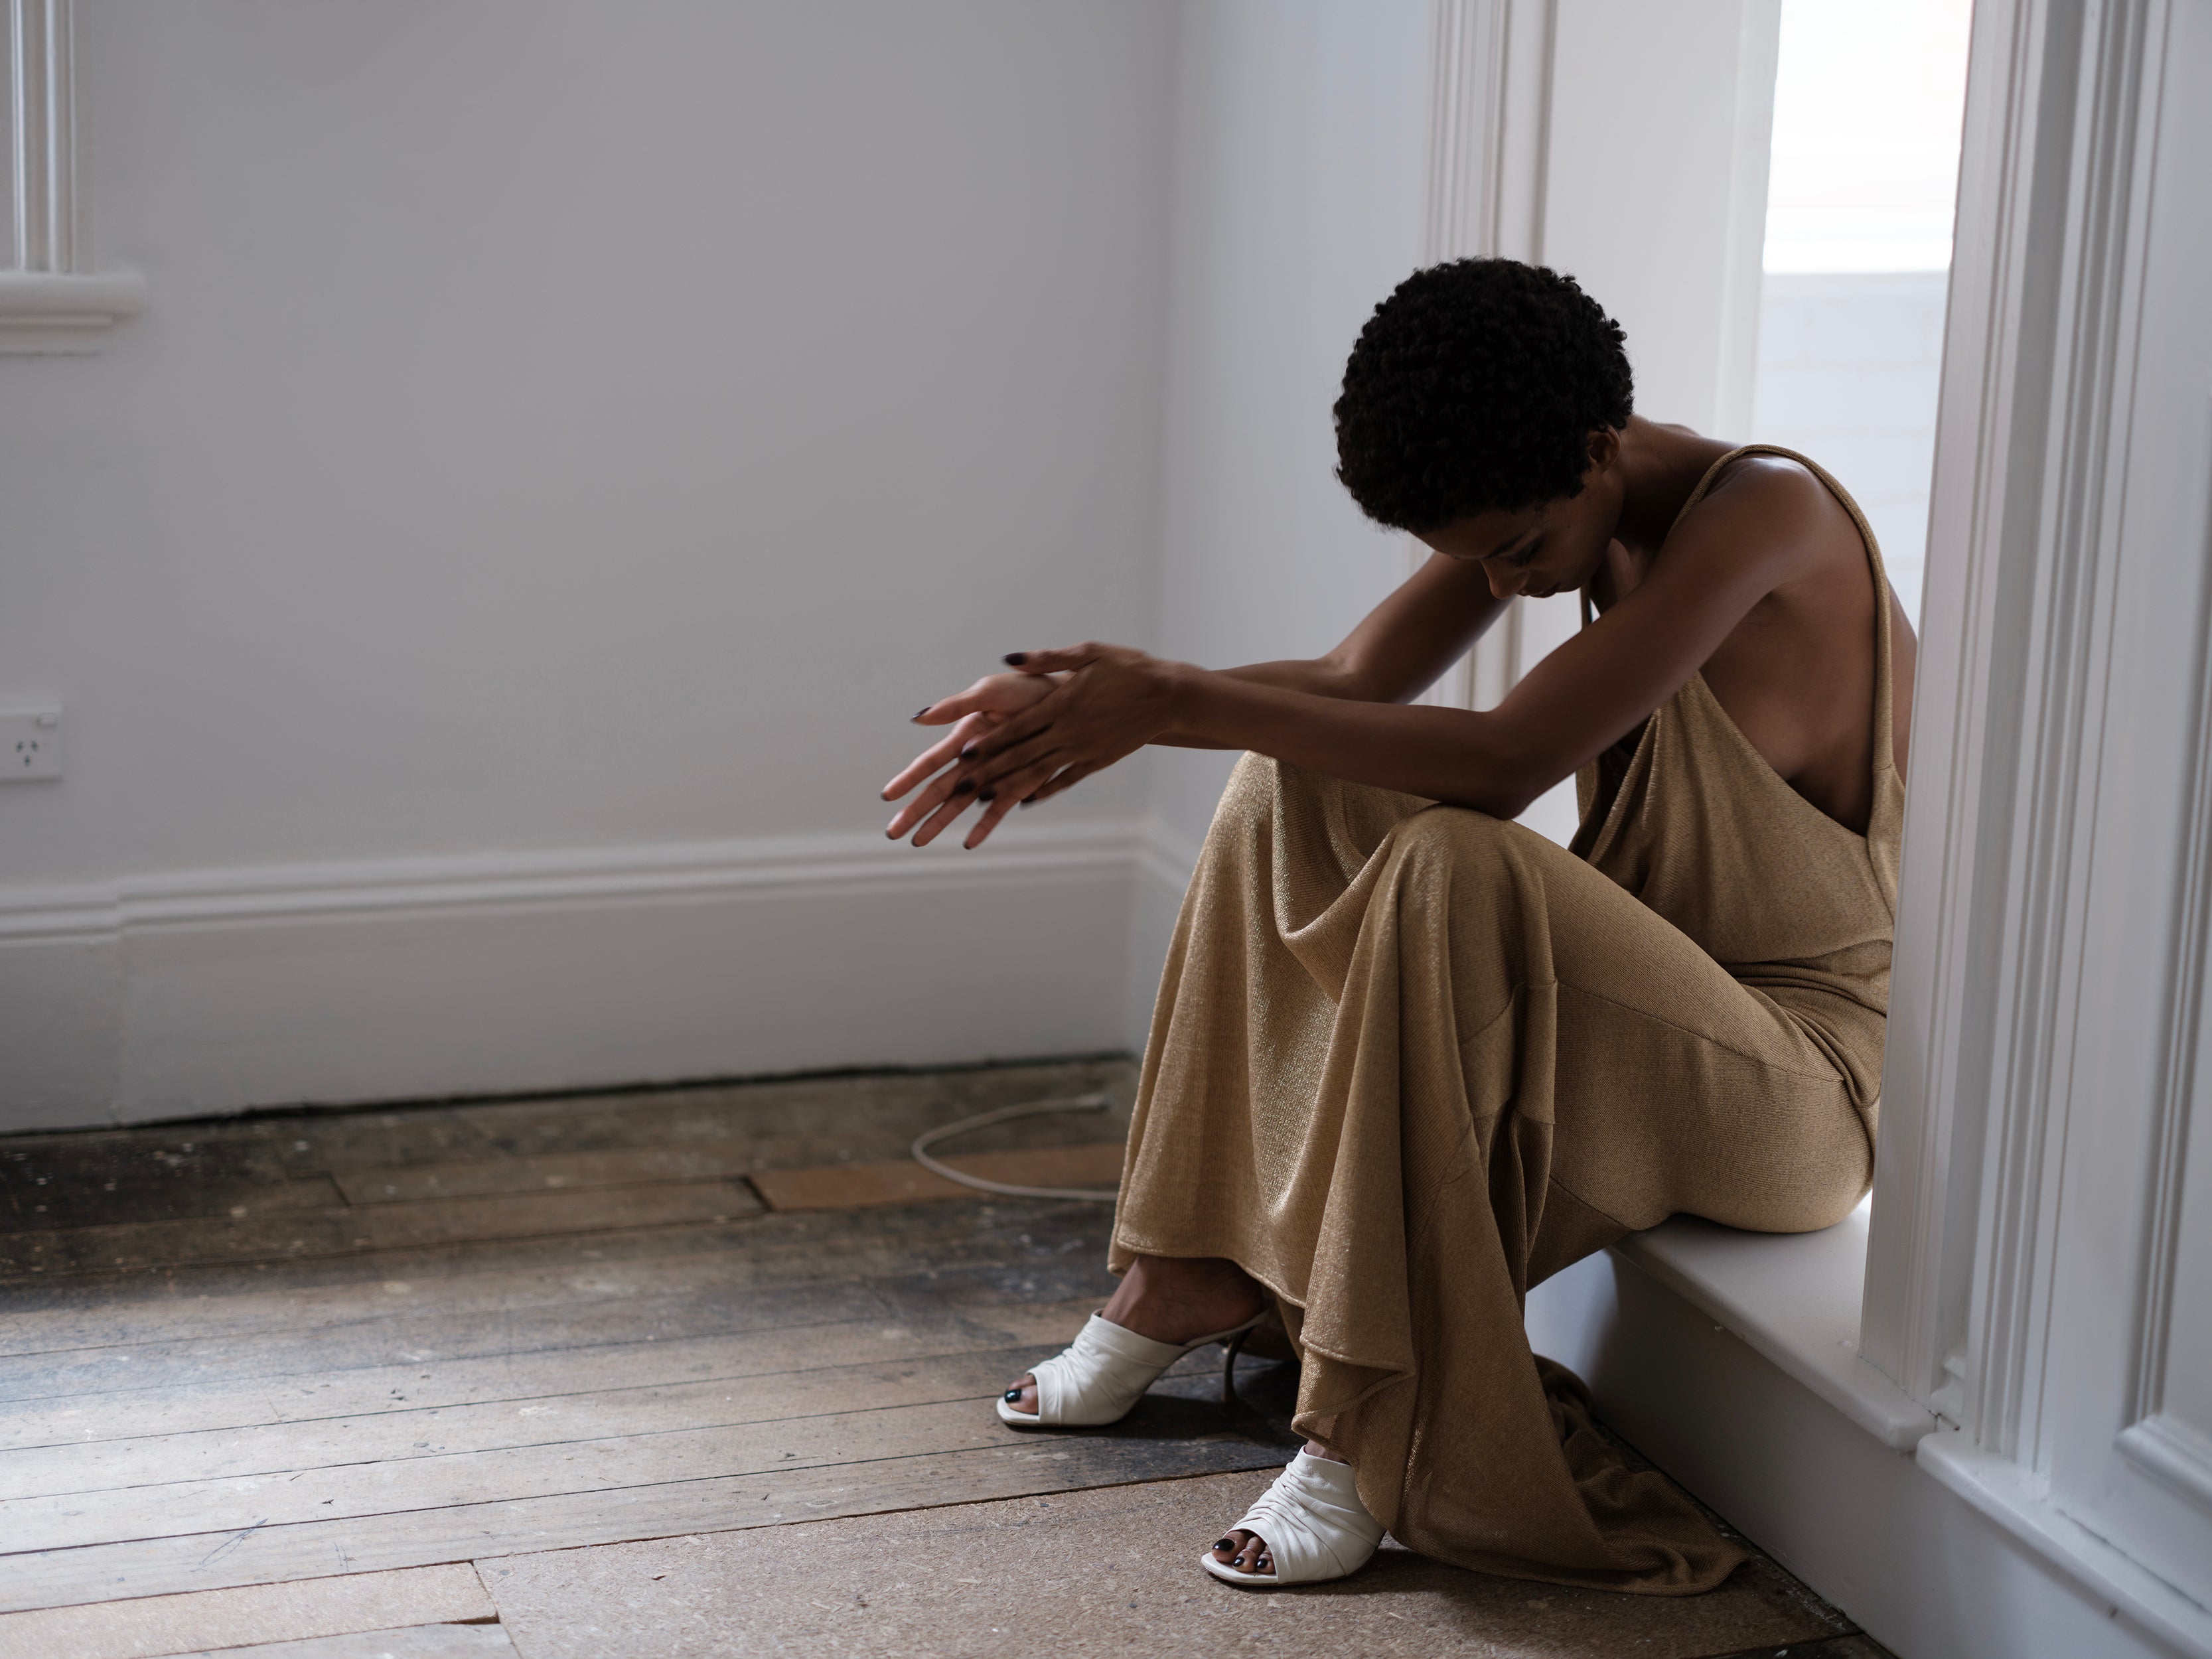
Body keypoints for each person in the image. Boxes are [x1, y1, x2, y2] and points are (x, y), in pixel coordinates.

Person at [881, 258, 1915, 1593]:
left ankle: (1371, 1428)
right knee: (1291, 767)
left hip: (1802, 1088)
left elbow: (1504, 758)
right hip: (1654, 1035)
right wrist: (1099, 701)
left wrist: (1173, 699)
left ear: (1598, 449)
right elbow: (1352, 684)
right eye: (1469, 557)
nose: (1500, 579)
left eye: (1514, 549)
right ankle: (1181, 1272)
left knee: (1451, 860)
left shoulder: (1769, 512)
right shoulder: (1560, 500)